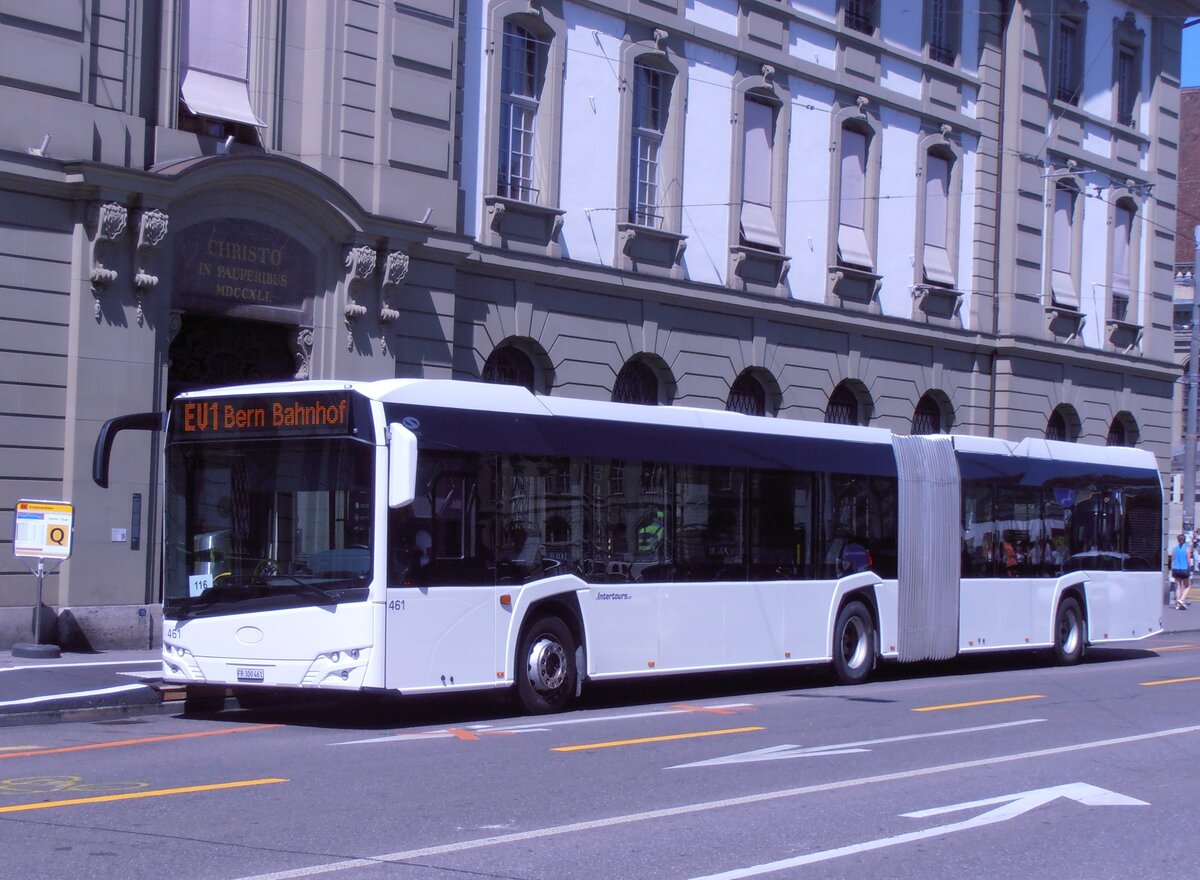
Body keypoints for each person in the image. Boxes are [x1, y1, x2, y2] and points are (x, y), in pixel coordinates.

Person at [1170, 534, 1192, 610]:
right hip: (1184, 569)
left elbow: (1172, 561)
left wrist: (1172, 570)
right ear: (1185, 540)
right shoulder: (1187, 549)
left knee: (1178, 587)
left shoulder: (1174, 549)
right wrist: (1190, 570)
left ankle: (1178, 605)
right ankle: (1181, 599)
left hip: (1176, 569)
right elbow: (1188, 561)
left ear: (1178, 540)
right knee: (1188, 586)